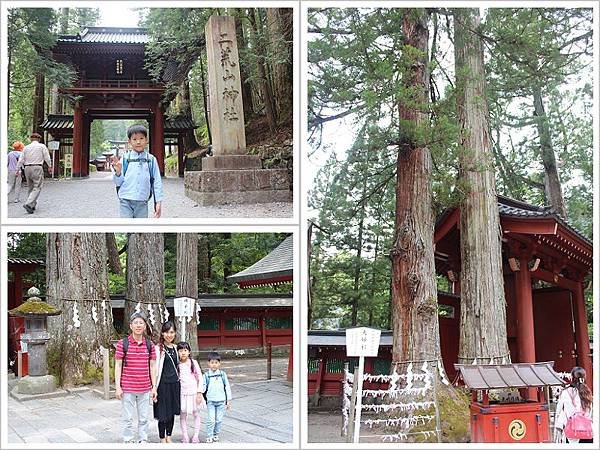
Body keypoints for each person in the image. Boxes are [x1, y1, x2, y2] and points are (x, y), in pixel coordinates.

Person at [114, 311, 158, 443]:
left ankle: (143, 439)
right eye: (136, 323)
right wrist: (117, 387)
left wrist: (154, 387)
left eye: (141, 323)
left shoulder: (150, 345)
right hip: (127, 387)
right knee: (127, 418)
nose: (138, 325)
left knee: (144, 418)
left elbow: (152, 366)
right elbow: (118, 365)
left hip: (145, 387)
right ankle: (128, 439)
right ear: (131, 325)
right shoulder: (123, 343)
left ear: (145, 326)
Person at [111, 124, 163, 218]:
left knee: (140, 229)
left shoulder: (151, 160)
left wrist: (158, 202)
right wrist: (118, 172)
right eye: (134, 139)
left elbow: (157, 183)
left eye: (141, 138)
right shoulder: (125, 158)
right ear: (129, 142)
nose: (138, 142)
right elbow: (118, 183)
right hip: (125, 199)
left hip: (142, 201)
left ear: (146, 140)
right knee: (126, 229)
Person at [153, 321, 180, 444]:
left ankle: (169, 436)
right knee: (162, 413)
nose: (169, 335)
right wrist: (154, 387)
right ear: (162, 333)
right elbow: (154, 368)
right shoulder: (158, 348)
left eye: (172, 332)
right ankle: (162, 438)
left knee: (172, 413)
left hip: (174, 384)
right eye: (167, 332)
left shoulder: (176, 348)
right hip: (162, 385)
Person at [554, 366, 593, 443]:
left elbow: (558, 412)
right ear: (584, 377)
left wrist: (557, 432)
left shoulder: (565, 392)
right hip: (587, 430)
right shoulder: (587, 392)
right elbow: (590, 411)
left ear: (571, 377)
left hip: (571, 431)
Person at [15, 133, 52, 214]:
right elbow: (47, 157)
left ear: (31, 139)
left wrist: (17, 169)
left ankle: (32, 205)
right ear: (39, 139)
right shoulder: (42, 146)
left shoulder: (26, 147)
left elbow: (21, 159)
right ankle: (28, 203)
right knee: (37, 186)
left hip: (27, 168)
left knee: (30, 187)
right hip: (37, 167)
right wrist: (50, 166)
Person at [177, 342, 205, 443]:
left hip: (194, 393)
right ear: (178, 352)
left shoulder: (193, 362)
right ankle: (185, 436)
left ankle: (196, 436)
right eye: (180, 351)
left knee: (196, 414)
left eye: (185, 350)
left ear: (189, 352)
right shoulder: (177, 364)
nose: (183, 353)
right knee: (183, 415)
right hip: (182, 394)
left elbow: (200, 378)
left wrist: (199, 392)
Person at [203, 351, 232, 443]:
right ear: (208, 363)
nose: (214, 365)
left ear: (219, 363)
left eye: (216, 362)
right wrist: (198, 394)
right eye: (212, 362)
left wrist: (228, 401)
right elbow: (203, 387)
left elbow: (227, 387)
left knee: (219, 420)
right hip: (211, 401)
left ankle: (216, 434)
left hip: (221, 401)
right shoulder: (206, 375)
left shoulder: (223, 374)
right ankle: (209, 435)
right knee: (211, 420)